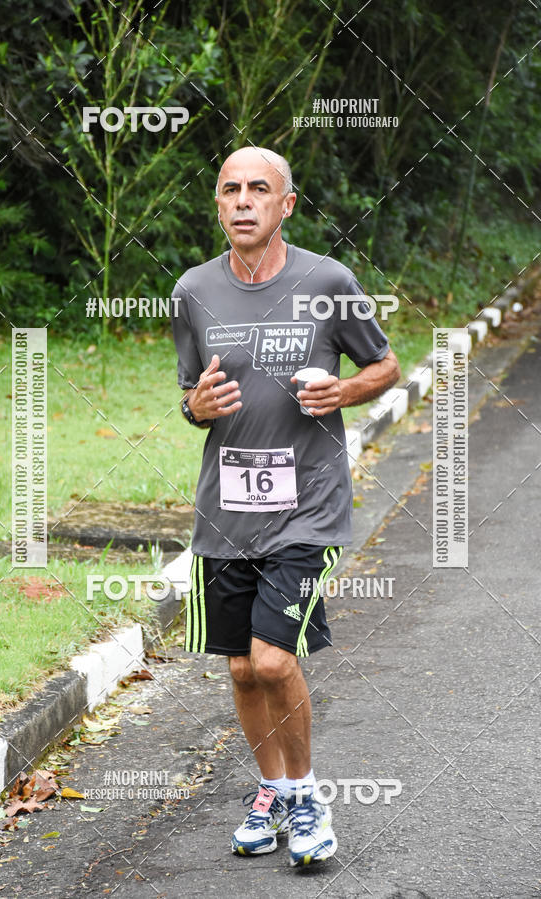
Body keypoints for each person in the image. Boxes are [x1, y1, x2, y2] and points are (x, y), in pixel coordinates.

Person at [171, 146, 400, 867]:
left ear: (286, 205)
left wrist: (346, 391)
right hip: (227, 511)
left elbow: (385, 365)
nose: (243, 201)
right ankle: (270, 789)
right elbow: (189, 396)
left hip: (309, 506)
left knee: (273, 660)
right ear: (217, 204)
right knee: (241, 667)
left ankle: (306, 797)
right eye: (230, 189)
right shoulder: (192, 290)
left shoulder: (326, 281)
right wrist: (195, 407)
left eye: (258, 190)